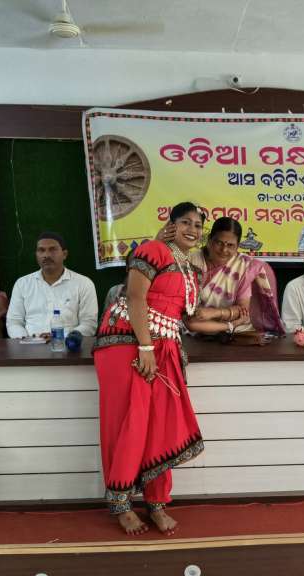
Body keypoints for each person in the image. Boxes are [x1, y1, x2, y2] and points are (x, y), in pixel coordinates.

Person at [94, 202, 209, 536]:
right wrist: (145, 347)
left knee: (161, 425)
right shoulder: (153, 249)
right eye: (185, 222)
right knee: (128, 422)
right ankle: (122, 504)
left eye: (198, 225)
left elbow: (191, 319)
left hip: (165, 349)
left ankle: (156, 502)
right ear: (171, 224)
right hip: (127, 343)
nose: (192, 229)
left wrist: (233, 318)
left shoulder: (191, 268)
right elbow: (135, 297)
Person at [159, 216, 284, 339]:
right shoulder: (191, 260)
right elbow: (182, 307)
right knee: (190, 322)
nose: (224, 250)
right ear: (209, 240)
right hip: (192, 332)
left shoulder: (244, 267)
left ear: (237, 246)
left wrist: (215, 313)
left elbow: (243, 311)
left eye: (230, 245)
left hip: (236, 335)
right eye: (219, 243)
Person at [6, 232, 98, 338]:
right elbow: (14, 322)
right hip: (29, 345)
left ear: (64, 254)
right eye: (41, 250)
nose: (46, 255)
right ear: (36, 255)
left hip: (68, 346)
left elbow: (89, 324)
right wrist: (28, 340)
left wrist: (60, 338)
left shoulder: (83, 283)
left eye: (52, 249)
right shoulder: (22, 284)